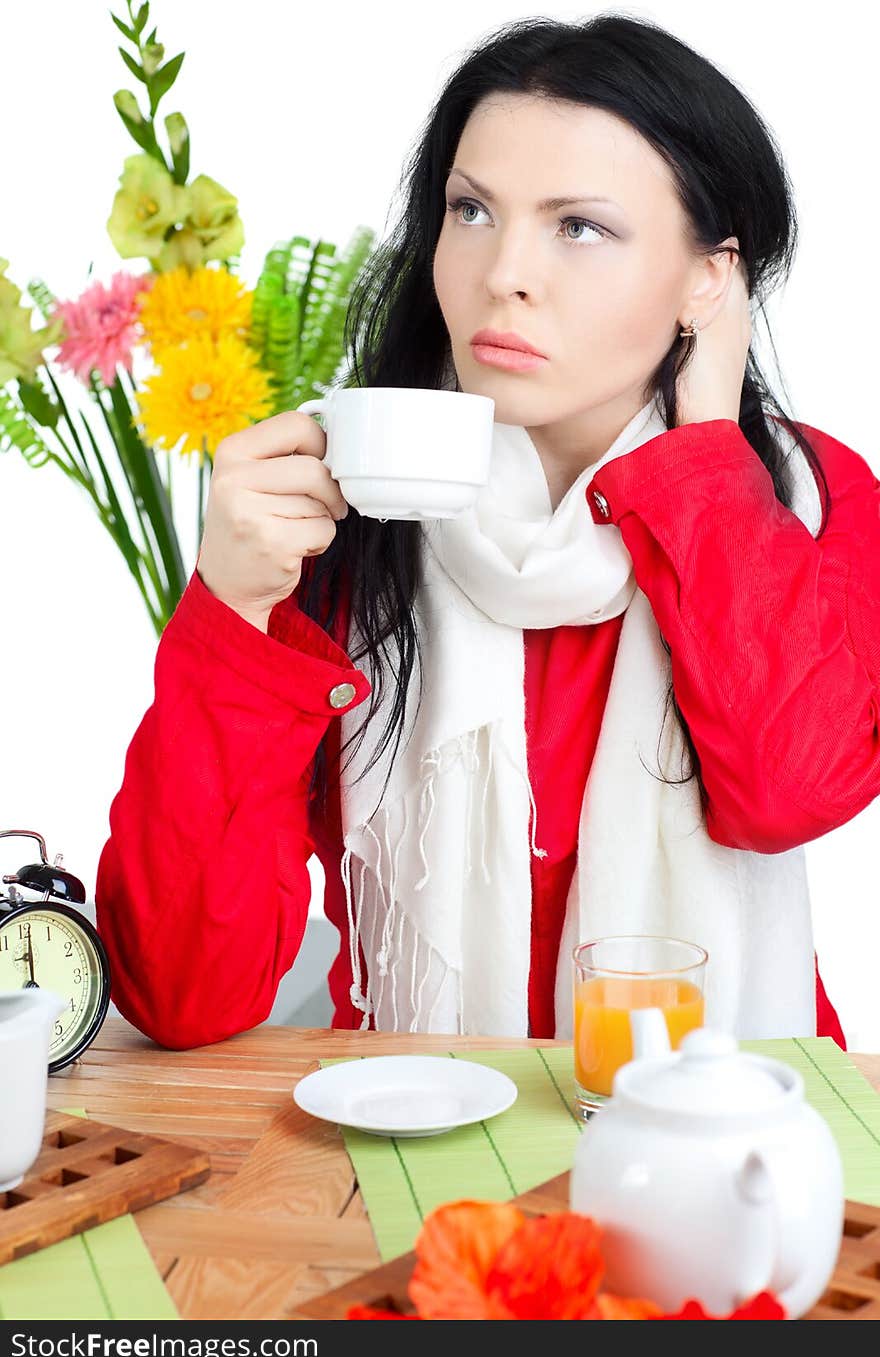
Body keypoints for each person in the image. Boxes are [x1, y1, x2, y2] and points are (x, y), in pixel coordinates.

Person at [95, 14, 880, 1050]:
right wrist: (234, 610)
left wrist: (701, 465)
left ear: (708, 277)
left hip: (725, 1137)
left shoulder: (804, 495)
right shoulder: (341, 507)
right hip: (402, 1134)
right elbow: (182, 995)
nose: (503, 271)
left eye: (579, 226)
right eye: (471, 209)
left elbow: (786, 794)